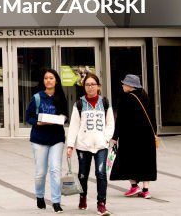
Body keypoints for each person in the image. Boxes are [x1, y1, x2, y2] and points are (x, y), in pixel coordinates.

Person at [66, 73, 114, 214]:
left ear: (98, 86)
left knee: (101, 174)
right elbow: (74, 126)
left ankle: (101, 203)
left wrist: (105, 139)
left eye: (93, 84)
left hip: (101, 145)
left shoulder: (105, 103)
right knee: (83, 174)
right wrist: (70, 145)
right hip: (83, 145)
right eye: (87, 85)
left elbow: (110, 123)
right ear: (84, 87)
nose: (90, 87)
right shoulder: (79, 104)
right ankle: (83, 197)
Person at [25, 69, 68, 212]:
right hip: (39, 139)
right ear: (43, 81)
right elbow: (28, 117)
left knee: (55, 169)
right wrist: (38, 122)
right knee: (40, 172)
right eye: (46, 78)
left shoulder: (61, 97)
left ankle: (56, 202)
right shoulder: (37, 97)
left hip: (57, 138)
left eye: (51, 78)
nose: (48, 80)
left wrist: (62, 119)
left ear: (56, 80)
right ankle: (39, 196)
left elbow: (66, 116)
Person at [110, 74, 157, 198]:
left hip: (130, 137)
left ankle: (134, 187)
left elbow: (120, 120)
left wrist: (115, 137)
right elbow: (152, 117)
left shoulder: (125, 99)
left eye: (124, 84)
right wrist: (154, 133)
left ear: (130, 86)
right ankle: (146, 190)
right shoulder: (145, 96)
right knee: (146, 161)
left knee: (128, 160)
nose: (122, 86)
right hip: (147, 137)